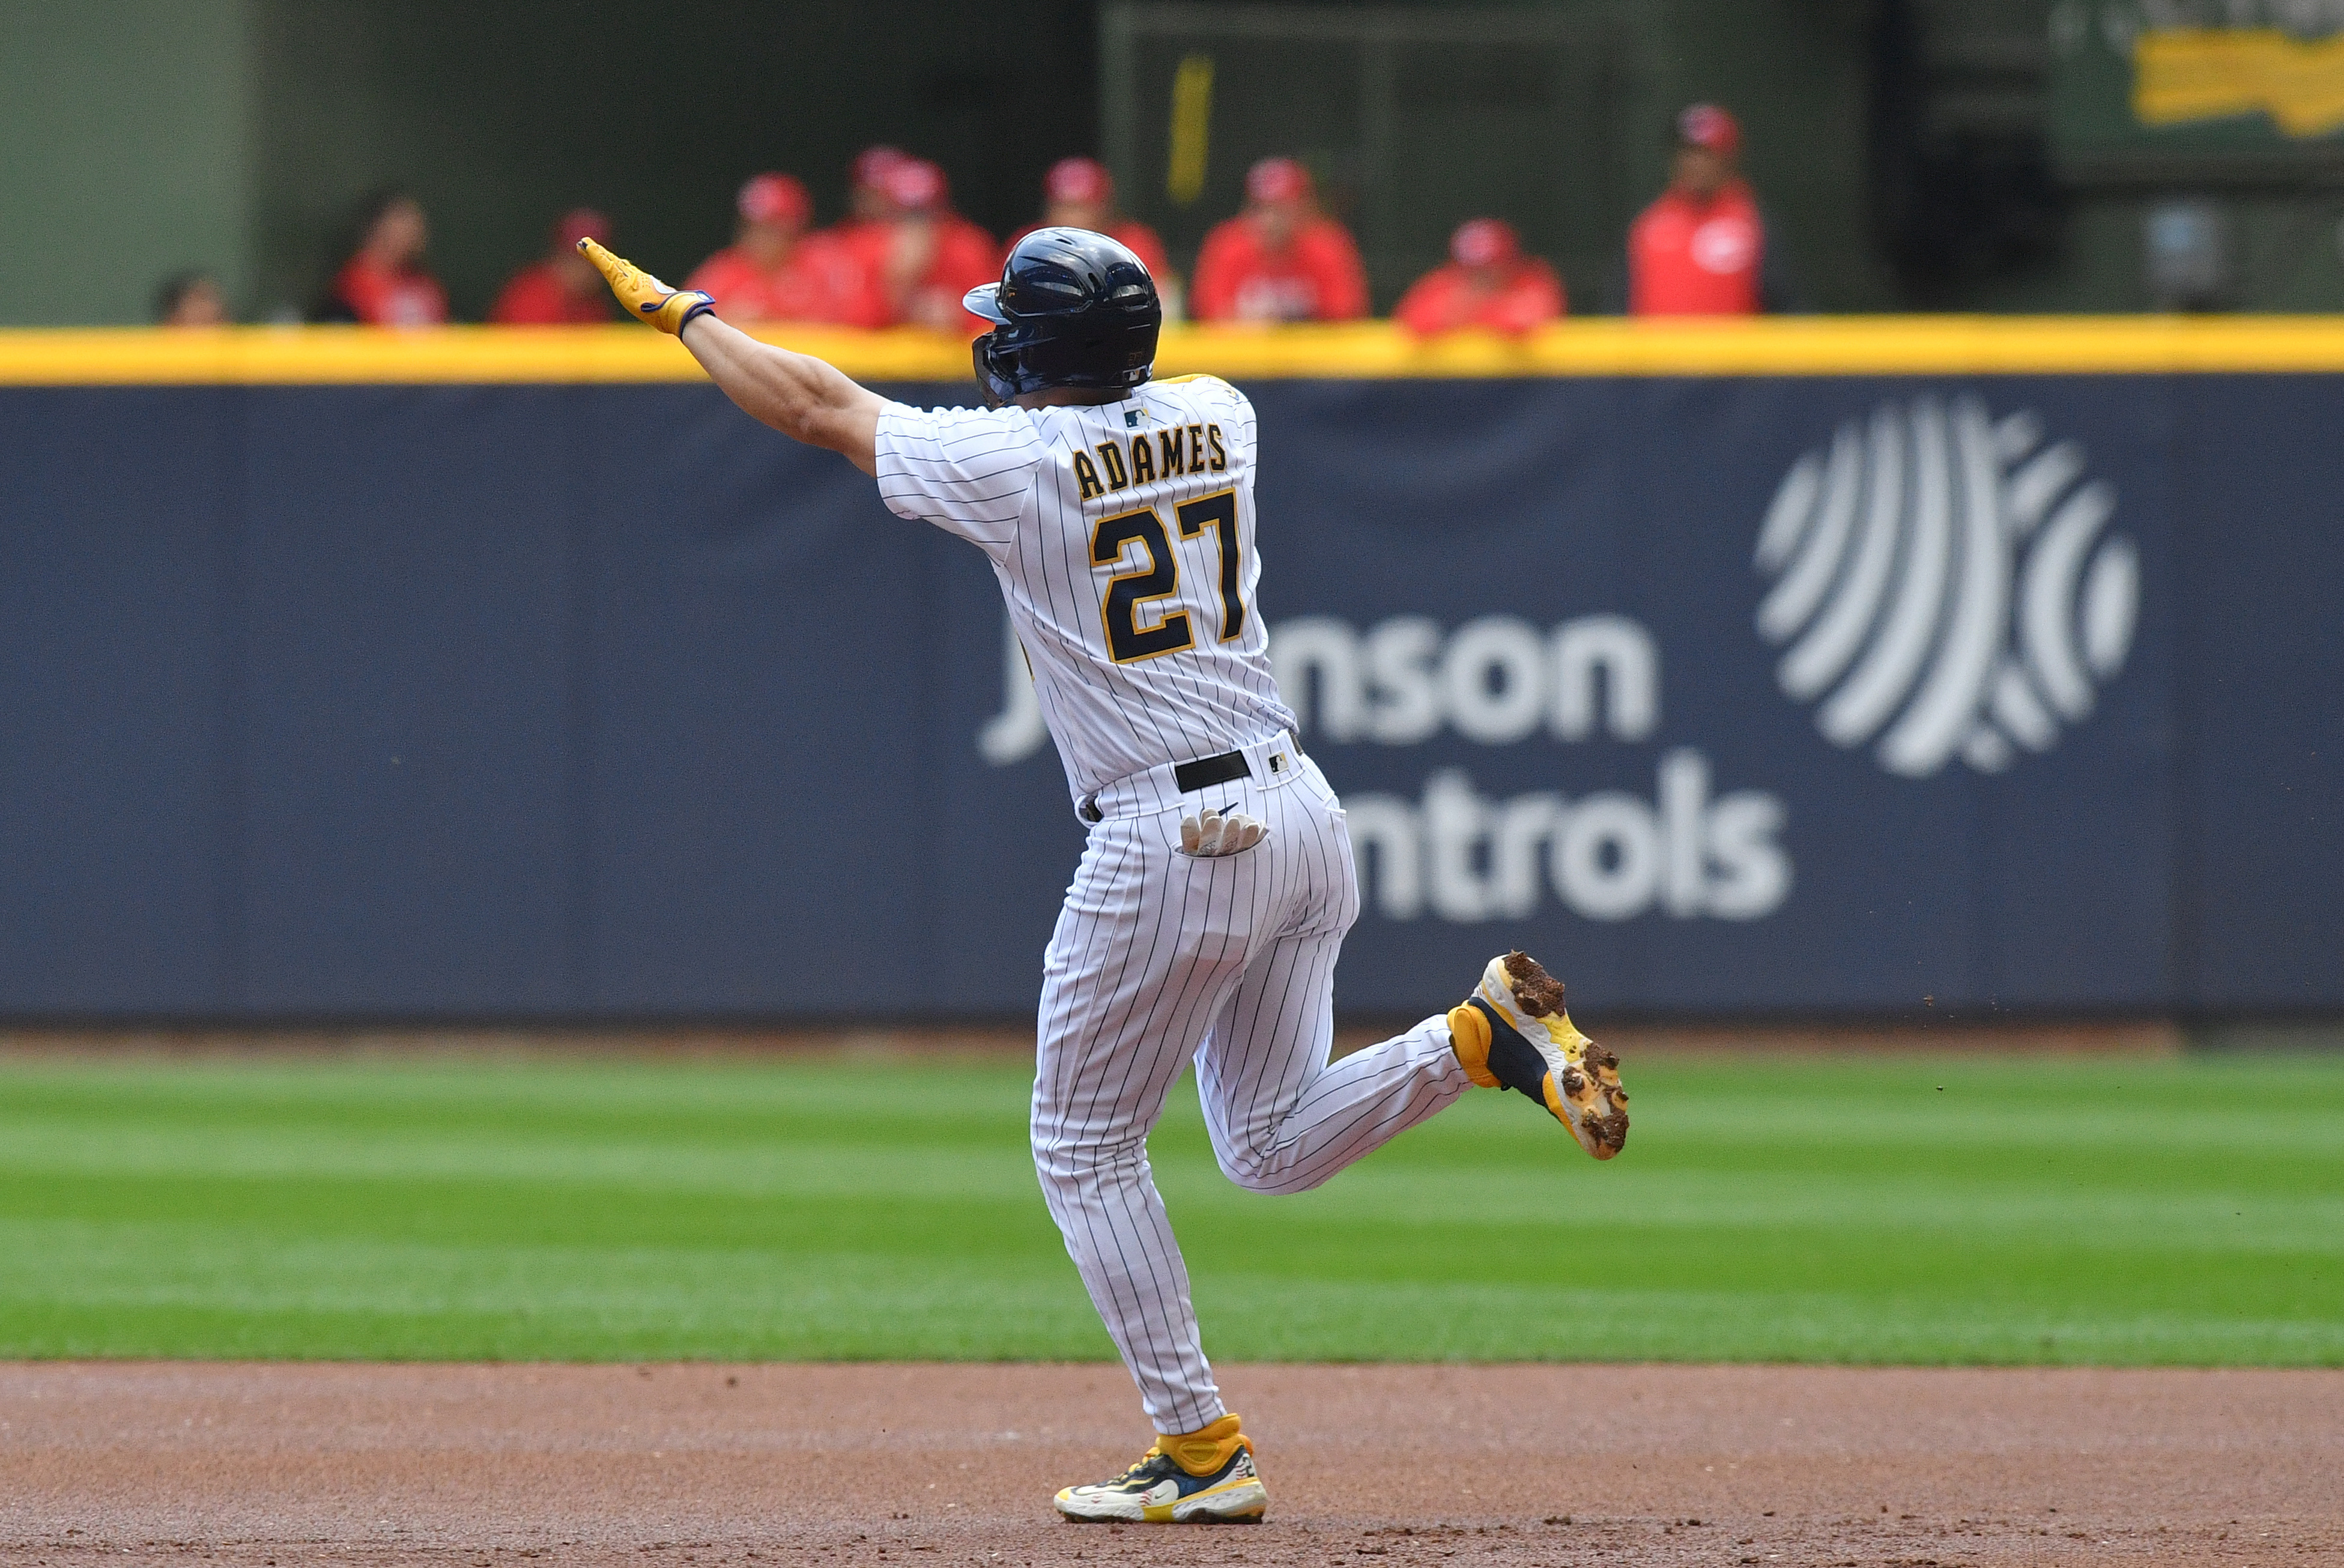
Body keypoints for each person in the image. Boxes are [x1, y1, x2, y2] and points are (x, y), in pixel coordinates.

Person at [575, 227, 1631, 1525]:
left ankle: (1200, 1450)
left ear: (1035, 347)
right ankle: (1474, 1040)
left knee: (1079, 1145)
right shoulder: (1219, 412)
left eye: (1009, 325)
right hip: (1299, 809)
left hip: (1169, 835)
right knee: (1263, 1144)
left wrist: (687, 316)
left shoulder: (1017, 463)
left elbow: (813, 405)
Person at [1616, 104, 1798, 315]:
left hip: (1734, 348)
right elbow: (1617, 308)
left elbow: (1788, 306)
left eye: (1707, 154)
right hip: (1659, 348)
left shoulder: (1753, 221)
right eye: (1688, 153)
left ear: (1729, 159)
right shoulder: (1648, 226)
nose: (1696, 164)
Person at [1189, 157, 1369, 323]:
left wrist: (1290, 317)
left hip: (1312, 354)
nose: (1270, 220)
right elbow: (1207, 312)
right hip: (1243, 354)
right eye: (1262, 209)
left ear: (1303, 208)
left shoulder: (1327, 245)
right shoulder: (1228, 244)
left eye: (1281, 210)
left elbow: (1349, 313)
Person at [686, 174, 882, 325]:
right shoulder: (726, 269)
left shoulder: (825, 261)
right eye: (752, 226)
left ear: (795, 227)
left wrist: (776, 320)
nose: (759, 236)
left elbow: (864, 322)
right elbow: (682, 327)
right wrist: (723, 322)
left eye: (772, 226)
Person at [864, 157, 998, 333]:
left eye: (924, 214)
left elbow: (994, 320)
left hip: (952, 358)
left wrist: (960, 315)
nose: (917, 225)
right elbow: (854, 325)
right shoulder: (867, 247)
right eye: (906, 214)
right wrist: (897, 286)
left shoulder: (968, 248)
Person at [1003, 158, 1173, 297]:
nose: (1070, 218)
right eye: (1064, 207)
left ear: (1104, 208)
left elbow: (1161, 307)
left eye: (1081, 207)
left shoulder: (1133, 245)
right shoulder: (1027, 246)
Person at [1393, 219, 1566, 336]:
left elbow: (1525, 323)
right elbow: (1414, 323)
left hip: (1528, 385)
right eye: (1471, 270)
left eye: (1489, 268)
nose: (1479, 277)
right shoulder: (1444, 282)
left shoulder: (1531, 282)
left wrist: (1469, 312)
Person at [318, 189, 447, 326]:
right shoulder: (349, 287)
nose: (414, 228)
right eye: (402, 218)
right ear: (376, 225)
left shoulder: (422, 283)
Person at [489, 209, 618, 324]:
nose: (587, 270)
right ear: (558, 257)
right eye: (578, 260)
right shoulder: (530, 296)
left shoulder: (595, 305)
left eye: (597, 262)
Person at [154, 271, 229, 326]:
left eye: (212, 299)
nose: (212, 309)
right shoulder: (154, 344)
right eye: (200, 298)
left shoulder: (234, 343)